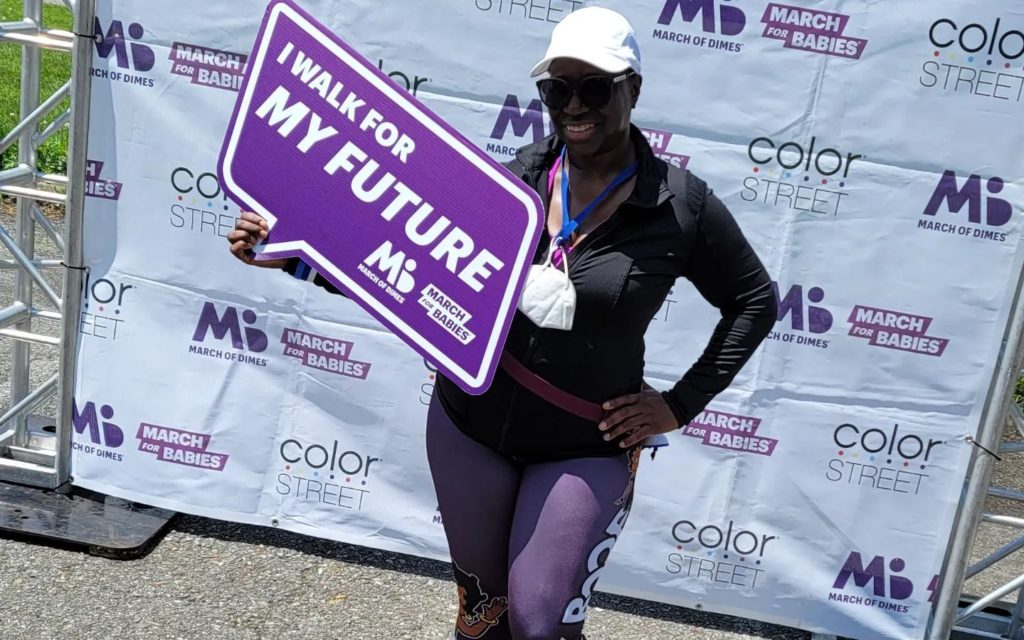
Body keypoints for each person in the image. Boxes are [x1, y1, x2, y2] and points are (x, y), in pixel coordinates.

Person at [228, 7, 777, 640]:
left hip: (585, 444)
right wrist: (292, 254)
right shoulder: (511, 182)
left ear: (634, 88)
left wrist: (679, 406)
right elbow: (400, 268)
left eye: (594, 86)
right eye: (557, 88)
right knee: (483, 616)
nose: (574, 104)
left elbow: (754, 301)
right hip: (469, 428)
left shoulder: (682, 207)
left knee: (540, 624)